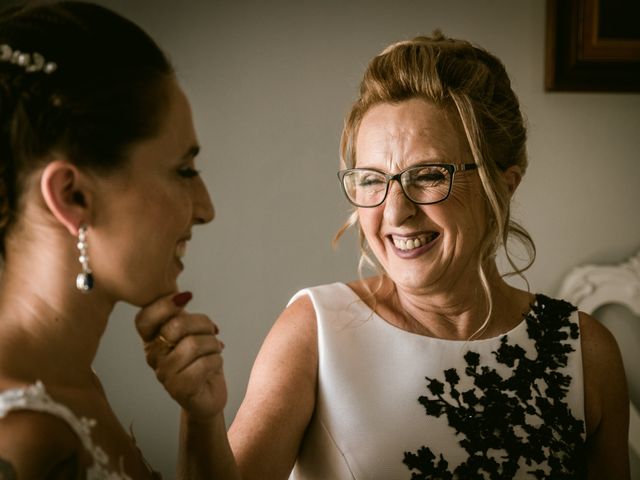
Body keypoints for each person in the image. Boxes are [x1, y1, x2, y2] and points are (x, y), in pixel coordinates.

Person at [140, 33, 630, 479]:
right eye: (372, 179)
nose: (395, 212)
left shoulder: (585, 353)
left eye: (429, 175)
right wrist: (202, 417)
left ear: (502, 185)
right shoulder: (314, 332)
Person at [0, 2, 223, 478]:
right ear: (73, 195)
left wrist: (202, 420)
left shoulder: (76, 384)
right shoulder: (24, 437)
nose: (205, 208)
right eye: (183, 170)